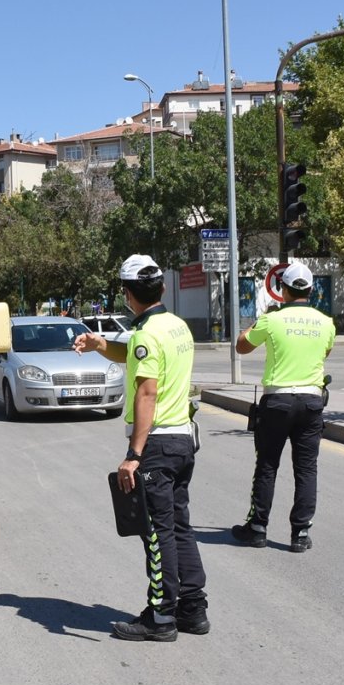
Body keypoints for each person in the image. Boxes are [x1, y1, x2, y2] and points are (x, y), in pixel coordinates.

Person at [73, 254, 207, 642]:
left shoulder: (147, 334)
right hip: (182, 438)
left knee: (158, 531)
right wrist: (100, 343)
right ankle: (193, 609)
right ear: (162, 288)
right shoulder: (174, 326)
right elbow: (131, 350)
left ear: (128, 295)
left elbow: (146, 393)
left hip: (157, 444)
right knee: (181, 527)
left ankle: (161, 617)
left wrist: (133, 456)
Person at [232, 260, 335, 553]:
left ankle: (258, 528)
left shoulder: (272, 320)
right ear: (311, 290)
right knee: (306, 469)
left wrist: (259, 320)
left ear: (283, 290)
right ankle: (300, 534)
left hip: (277, 401)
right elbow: (325, 351)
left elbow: (242, 345)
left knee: (267, 465)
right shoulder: (326, 323)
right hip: (312, 402)